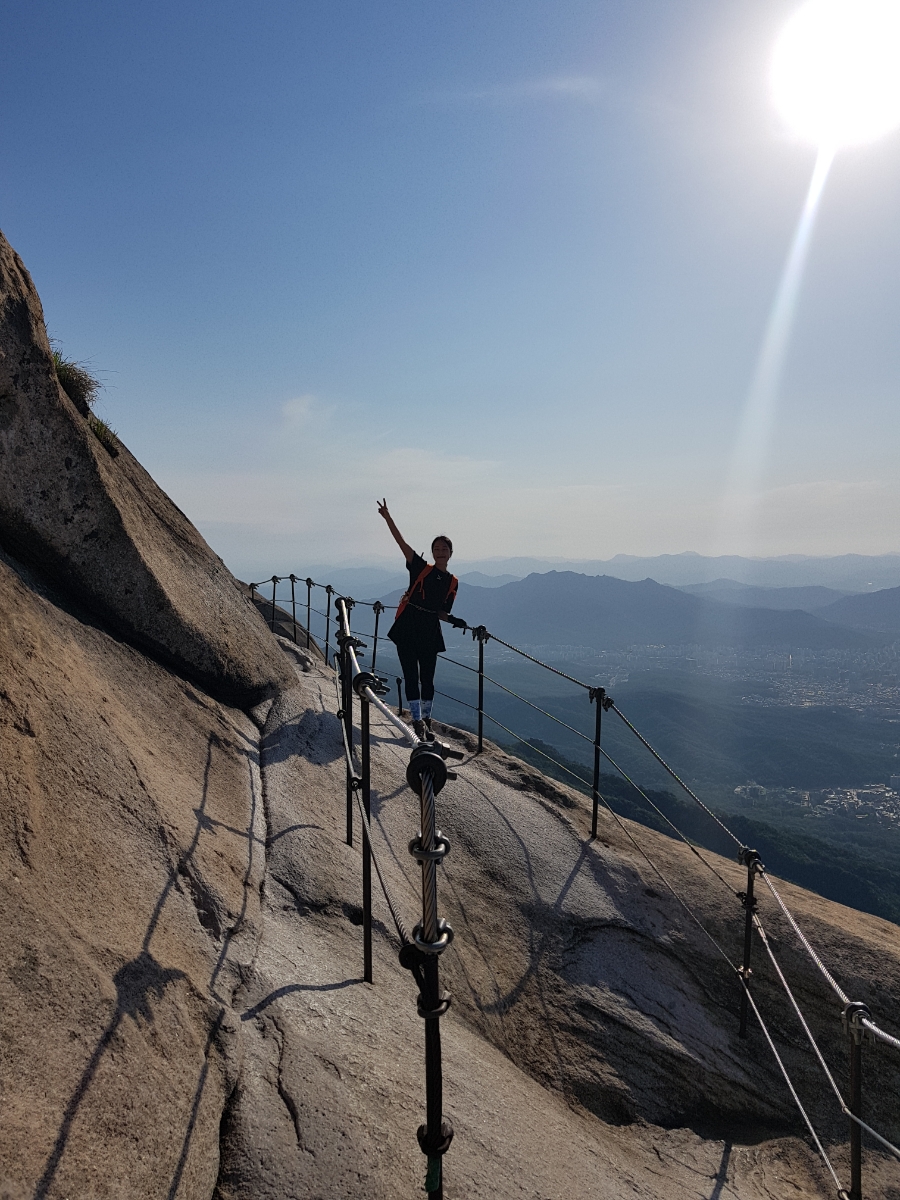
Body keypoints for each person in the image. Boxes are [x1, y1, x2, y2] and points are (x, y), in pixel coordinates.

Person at [377, 498, 467, 738]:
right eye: (437, 549)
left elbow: (440, 611)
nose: (440, 552)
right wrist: (388, 518)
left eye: (444, 549)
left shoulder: (452, 582)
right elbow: (401, 543)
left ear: (450, 553)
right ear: (433, 551)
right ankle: (417, 720)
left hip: (429, 629)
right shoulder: (420, 568)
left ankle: (426, 718)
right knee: (410, 676)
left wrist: (454, 620)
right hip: (408, 626)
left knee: (427, 678)